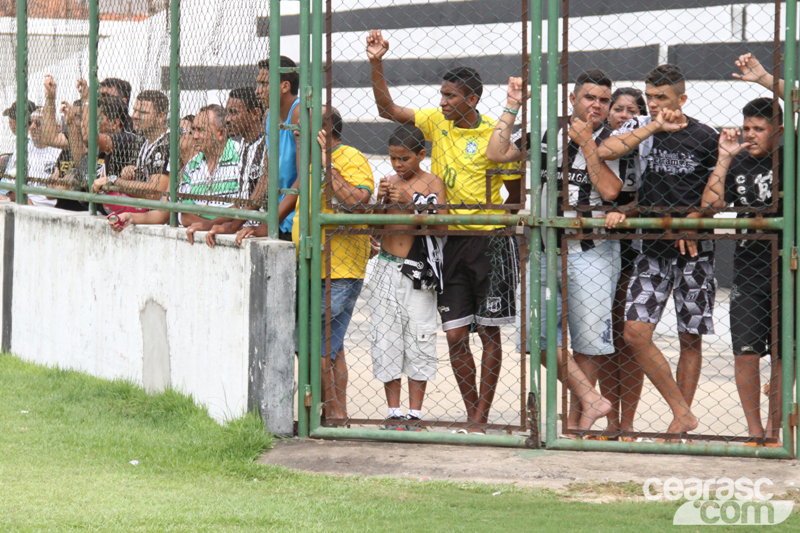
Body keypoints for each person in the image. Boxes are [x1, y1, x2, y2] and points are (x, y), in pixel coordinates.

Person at [367, 30, 521, 432]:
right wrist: (376, 61)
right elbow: (387, 108)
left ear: (472, 99)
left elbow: (516, 196)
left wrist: (494, 226)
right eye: (441, 95)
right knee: (454, 337)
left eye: (450, 96)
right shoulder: (437, 123)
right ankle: (471, 411)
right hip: (447, 245)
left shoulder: (493, 133)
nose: (442, 103)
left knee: (489, 333)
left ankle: (480, 418)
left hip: (487, 243)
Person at [487, 72, 624, 435]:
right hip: (544, 249)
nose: (596, 105)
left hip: (593, 252)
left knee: (588, 340)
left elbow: (610, 191)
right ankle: (590, 399)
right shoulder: (548, 131)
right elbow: (497, 153)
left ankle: (581, 423)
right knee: (536, 335)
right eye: (589, 98)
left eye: (603, 100)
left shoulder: (615, 140)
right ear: (573, 100)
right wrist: (513, 105)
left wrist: (588, 146)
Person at [600, 64, 719, 438]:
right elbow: (604, 150)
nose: (653, 104)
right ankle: (682, 410)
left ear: (682, 98)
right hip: (652, 248)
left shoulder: (706, 136)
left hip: (696, 248)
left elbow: (719, 191)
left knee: (690, 336)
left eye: (661, 98)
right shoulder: (641, 130)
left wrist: (695, 218)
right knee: (635, 332)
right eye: (649, 98)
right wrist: (651, 126)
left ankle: (678, 425)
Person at [239, 106, 372, 423]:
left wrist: (327, 165)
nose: (293, 131)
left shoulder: (349, 157)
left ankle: (320, 414)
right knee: (328, 346)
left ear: (324, 131)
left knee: (314, 343)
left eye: (300, 127)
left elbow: (356, 201)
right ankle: (333, 414)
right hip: (314, 266)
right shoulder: (308, 161)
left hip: (338, 271)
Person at [702, 61, 784, 444]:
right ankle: (754, 430)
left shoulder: (791, 157)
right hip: (749, 270)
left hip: (788, 269)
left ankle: (774, 427)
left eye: (759, 129)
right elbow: (710, 204)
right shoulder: (737, 163)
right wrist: (723, 155)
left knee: (785, 354)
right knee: (746, 352)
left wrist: (767, 81)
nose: (751, 135)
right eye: (747, 127)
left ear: (778, 131)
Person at [371, 124, 447, 431]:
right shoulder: (389, 182)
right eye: (393, 158)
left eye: (404, 158)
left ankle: (415, 413)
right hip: (387, 265)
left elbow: (441, 226)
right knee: (387, 335)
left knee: (419, 335)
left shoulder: (433, 183)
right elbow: (374, 231)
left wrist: (408, 204)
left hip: (418, 269)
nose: (398, 165)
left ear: (421, 155)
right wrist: (381, 202)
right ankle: (393, 411)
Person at [600, 87, 648, 439]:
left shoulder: (647, 146)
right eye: (618, 109)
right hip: (598, 247)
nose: (624, 115)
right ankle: (609, 419)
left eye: (633, 110)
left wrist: (628, 211)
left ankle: (627, 422)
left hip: (634, 251)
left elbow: (653, 196)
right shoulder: (599, 144)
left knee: (628, 339)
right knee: (603, 340)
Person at [111, 105, 241, 231]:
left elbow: (242, 207)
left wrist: (208, 225)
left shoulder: (240, 156)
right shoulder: (191, 165)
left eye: (201, 130)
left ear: (221, 133)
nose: (195, 136)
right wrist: (130, 217)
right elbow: (184, 216)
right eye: (194, 129)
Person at [204, 87, 267, 248]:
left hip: (263, 234)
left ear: (255, 114)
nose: (227, 119)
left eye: (234, 113)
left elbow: (260, 199)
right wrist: (208, 225)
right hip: (245, 232)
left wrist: (235, 226)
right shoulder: (242, 146)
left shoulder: (267, 147)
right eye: (227, 113)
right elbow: (241, 202)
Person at [92, 90, 170, 211]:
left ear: (161, 117)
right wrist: (131, 173)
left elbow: (155, 192)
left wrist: (114, 181)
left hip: (164, 218)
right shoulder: (144, 141)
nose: (135, 116)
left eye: (142, 112)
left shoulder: (168, 142)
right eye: (135, 110)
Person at [253, 56, 301, 241]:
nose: (258, 91)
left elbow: (304, 178)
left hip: (297, 221)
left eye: (264, 84)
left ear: (285, 86)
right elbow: (268, 173)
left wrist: (269, 225)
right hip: (280, 218)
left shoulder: (299, 114)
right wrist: (233, 223)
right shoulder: (270, 117)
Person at [4, 108, 61, 206]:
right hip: (24, 205)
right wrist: (27, 203)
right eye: (31, 122)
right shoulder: (23, 149)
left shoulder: (61, 152)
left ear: (57, 127)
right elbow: (11, 190)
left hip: (52, 209)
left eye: (38, 123)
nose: (32, 127)